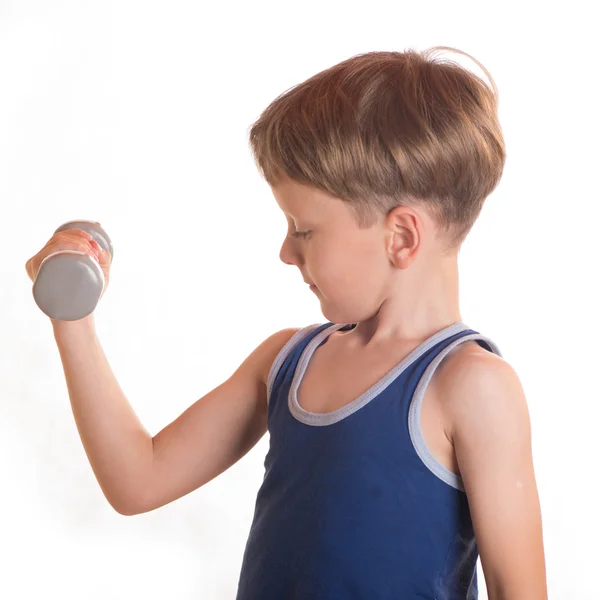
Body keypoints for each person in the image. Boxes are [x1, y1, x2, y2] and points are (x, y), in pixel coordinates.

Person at [25, 46, 547, 599]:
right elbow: (137, 481)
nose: (285, 251)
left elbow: (521, 591)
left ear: (401, 236)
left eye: (304, 229)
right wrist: (72, 319)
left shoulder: (473, 386)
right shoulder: (284, 364)